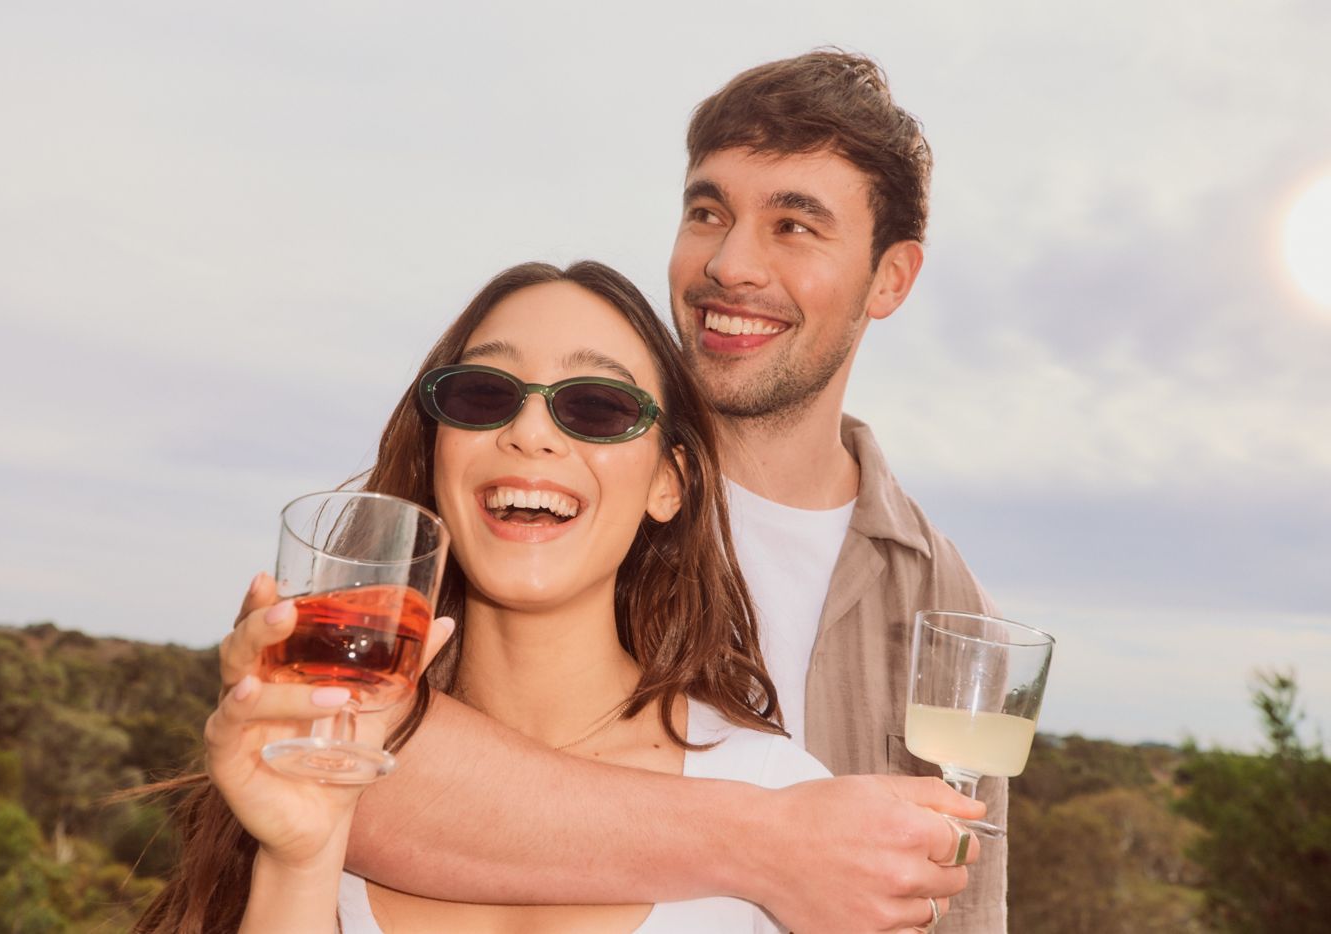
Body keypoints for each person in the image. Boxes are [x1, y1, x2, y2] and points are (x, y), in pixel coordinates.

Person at [137, 261, 976, 933]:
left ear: (670, 484)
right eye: (482, 394)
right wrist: (297, 859)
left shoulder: (786, 796)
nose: (530, 431)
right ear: (437, 452)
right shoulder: (331, 745)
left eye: (597, 407)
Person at [666, 49, 1007, 930]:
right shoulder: (555, 482)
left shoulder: (946, 602)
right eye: (709, 212)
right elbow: (357, 763)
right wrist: (766, 840)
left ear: (889, 279)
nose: (731, 265)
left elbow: (962, 912)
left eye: (794, 226)